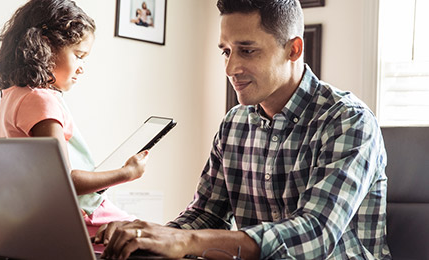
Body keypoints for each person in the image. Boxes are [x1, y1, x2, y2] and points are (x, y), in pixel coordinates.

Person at [94, 0, 391, 259]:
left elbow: (315, 236)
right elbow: (206, 215)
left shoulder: (349, 120)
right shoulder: (234, 123)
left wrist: (185, 241)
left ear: (293, 49)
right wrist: (149, 240)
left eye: (247, 51)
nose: (230, 67)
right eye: (226, 51)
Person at [0, 0, 149, 237]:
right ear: (46, 46)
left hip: (37, 218)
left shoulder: (11, 95)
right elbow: (62, 180)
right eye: (79, 55)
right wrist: (127, 173)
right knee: (152, 236)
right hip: (83, 214)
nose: (82, 68)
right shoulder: (42, 100)